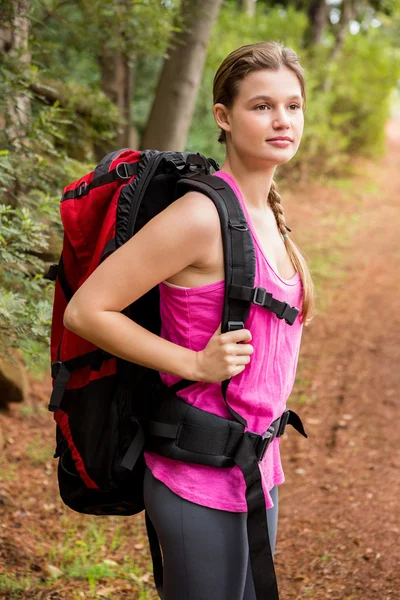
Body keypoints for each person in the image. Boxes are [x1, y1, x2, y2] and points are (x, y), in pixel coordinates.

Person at [64, 41, 314, 600]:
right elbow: (87, 309)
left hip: (255, 468)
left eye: (293, 106)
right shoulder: (201, 215)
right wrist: (193, 362)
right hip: (196, 476)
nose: (282, 121)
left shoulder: (268, 211)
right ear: (223, 117)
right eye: (262, 106)